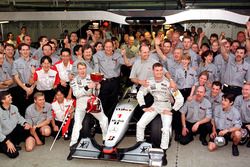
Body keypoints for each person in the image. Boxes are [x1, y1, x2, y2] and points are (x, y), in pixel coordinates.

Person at [136, 63, 184, 166]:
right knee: (140, 124)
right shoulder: (149, 82)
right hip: (155, 105)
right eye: (157, 70)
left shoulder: (169, 83)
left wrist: (173, 111)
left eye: (160, 70)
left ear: (163, 71)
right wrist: (143, 107)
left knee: (166, 129)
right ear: (153, 71)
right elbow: (140, 94)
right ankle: (140, 147)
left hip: (166, 107)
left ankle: (163, 152)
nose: (159, 72)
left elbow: (180, 99)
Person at [69, 62, 108, 147]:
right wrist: (87, 87)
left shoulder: (92, 78)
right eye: (80, 69)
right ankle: (73, 143)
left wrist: (97, 88)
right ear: (77, 70)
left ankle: (105, 140)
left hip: (92, 101)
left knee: (104, 119)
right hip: (80, 102)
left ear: (86, 69)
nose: (82, 70)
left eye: (83, 68)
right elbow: (76, 94)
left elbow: (96, 94)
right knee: (77, 123)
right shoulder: (74, 81)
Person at [93, 39, 130, 119]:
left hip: (115, 82)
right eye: (106, 47)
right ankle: (103, 120)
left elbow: (127, 63)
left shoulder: (118, 55)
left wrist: (124, 55)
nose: (108, 49)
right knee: (103, 102)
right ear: (104, 47)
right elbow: (95, 66)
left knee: (113, 102)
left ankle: (110, 120)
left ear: (113, 47)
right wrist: (96, 80)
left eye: (110, 47)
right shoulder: (98, 54)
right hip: (103, 82)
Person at [0, 91, 35, 158]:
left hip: (13, 131)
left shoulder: (14, 107)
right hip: (3, 136)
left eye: (10, 96)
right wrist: (7, 142)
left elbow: (19, 118)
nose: (11, 97)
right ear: (3, 100)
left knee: (26, 127)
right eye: (9, 97)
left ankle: (15, 142)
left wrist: (25, 123)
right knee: (14, 154)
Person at [12, 43, 39, 116]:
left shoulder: (35, 62)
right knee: (22, 109)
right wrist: (25, 89)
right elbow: (16, 77)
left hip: (33, 88)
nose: (25, 51)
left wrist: (32, 88)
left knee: (34, 109)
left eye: (27, 50)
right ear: (20, 51)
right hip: (21, 88)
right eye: (23, 50)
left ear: (29, 50)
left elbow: (38, 77)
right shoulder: (16, 63)